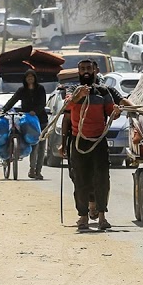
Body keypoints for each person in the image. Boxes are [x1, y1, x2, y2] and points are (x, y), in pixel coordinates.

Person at [60, 59, 121, 232]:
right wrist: (79, 96)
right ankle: (83, 217)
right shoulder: (72, 90)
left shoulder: (103, 91)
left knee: (102, 178)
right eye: (82, 69)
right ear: (78, 72)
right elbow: (67, 108)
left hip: (98, 141)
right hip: (78, 140)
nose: (86, 71)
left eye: (89, 68)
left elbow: (111, 113)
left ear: (95, 70)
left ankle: (102, 217)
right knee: (80, 179)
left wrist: (116, 112)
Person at [0, 68, 48, 180]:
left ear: (35, 78)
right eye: (28, 77)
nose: (30, 79)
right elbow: (13, 100)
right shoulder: (22, 90)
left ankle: (37, 171)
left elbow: (42, 103)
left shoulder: (40, 89)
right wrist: (4, 110)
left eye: (32, 77)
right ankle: (31, 169)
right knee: (32, 145)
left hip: (41, 121)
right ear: (25, 79)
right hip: (28, 122)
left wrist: (35, 111)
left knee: (40, 147)